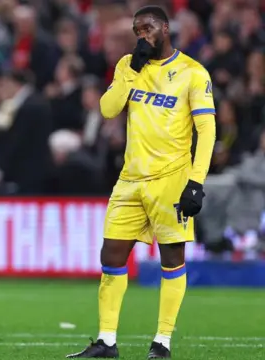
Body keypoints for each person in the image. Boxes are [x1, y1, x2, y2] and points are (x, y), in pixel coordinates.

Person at [67, 6, 216, 359]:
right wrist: (132, 70)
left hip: (171, 180)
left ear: (165, 27)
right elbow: (107, 109)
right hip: (130, 180)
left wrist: (195, 182)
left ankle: (162, 342)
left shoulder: (192, 73)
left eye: (147, 28)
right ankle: (106, 341)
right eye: (137, 30)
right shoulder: (127, 66)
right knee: (111, 255)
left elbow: (207, 130)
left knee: (172, 257)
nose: (142, 35)